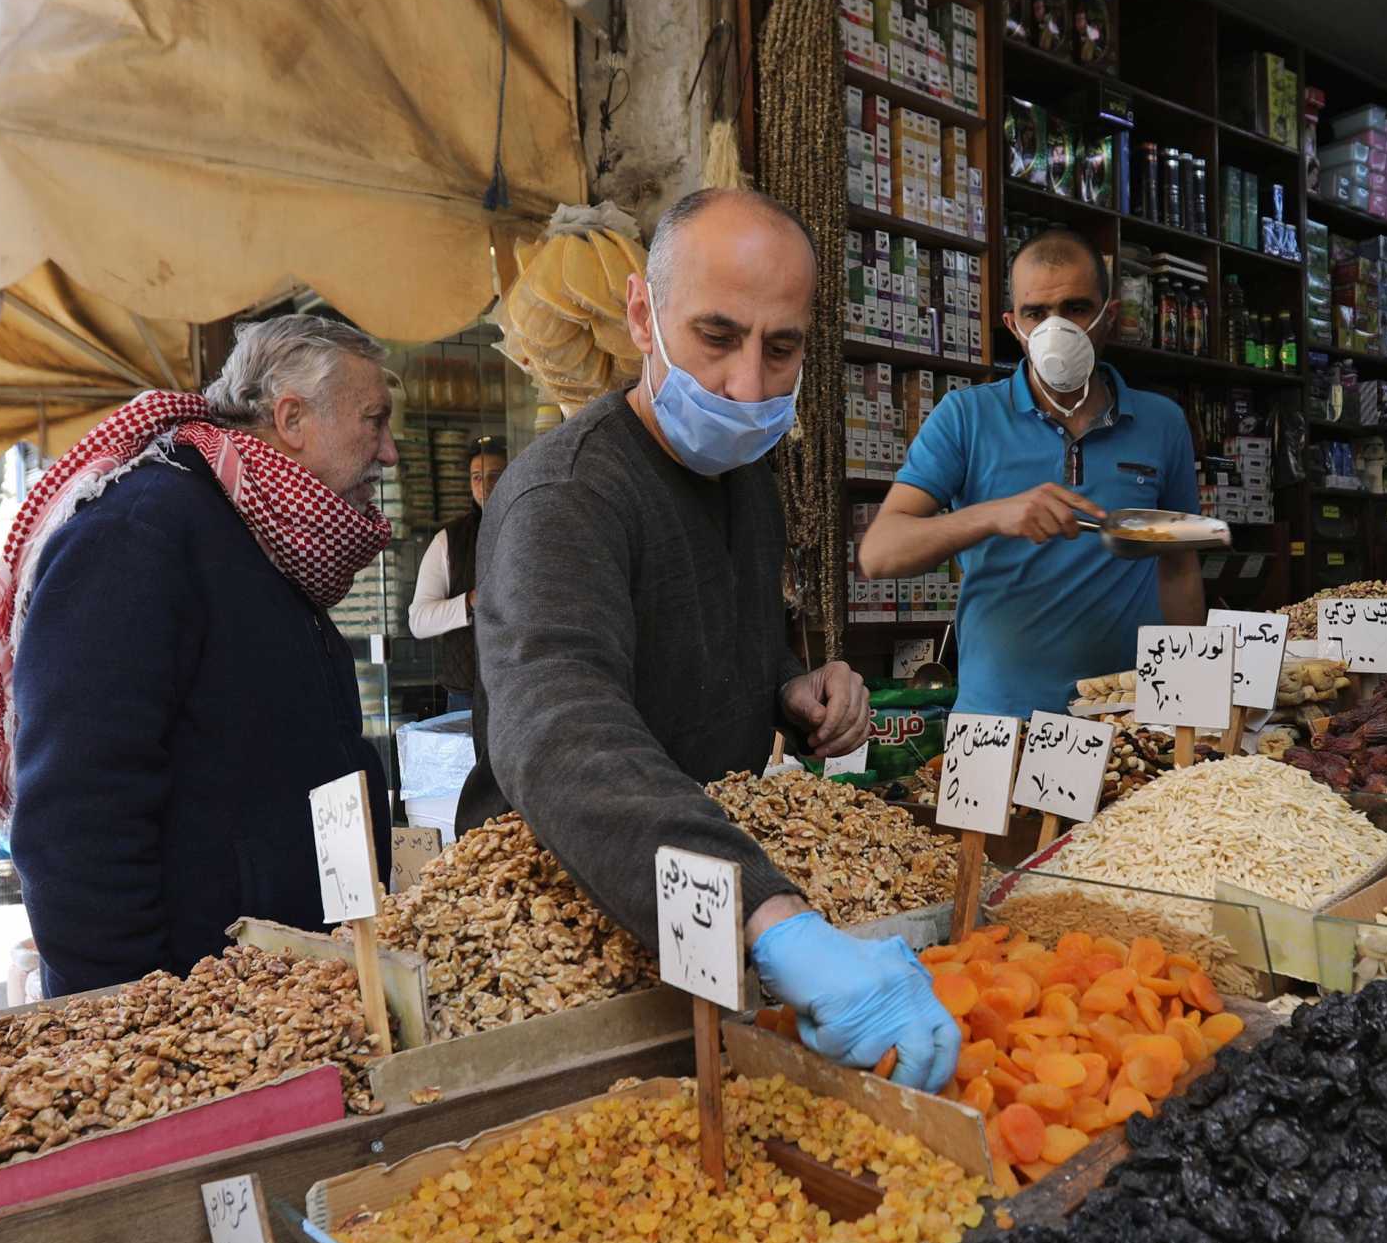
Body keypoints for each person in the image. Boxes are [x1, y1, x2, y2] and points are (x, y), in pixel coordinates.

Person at [459, 187, 961, 1091]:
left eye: (782, 348)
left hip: (701, 877)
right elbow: (560, 728)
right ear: (642, 315)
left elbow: (714, 632)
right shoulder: (564, 499)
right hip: (561, 894)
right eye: (718, 337)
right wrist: (774, 918)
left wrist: (790, 684)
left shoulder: (742, 474)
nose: (747, 386)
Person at [0, 315, 399, 997]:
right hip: (194, 1013)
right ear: (292, 418)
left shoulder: (270, 536)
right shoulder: (138, 532)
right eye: (374, 420)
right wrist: (136, 1013)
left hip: (285, 995)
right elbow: (76, 817)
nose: (388, 453)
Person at [857, 227, 1203, 720]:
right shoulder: (965, 416)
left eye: (1076, 308)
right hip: (998, 722)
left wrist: (1187, 700)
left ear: (1110, 316)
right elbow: (879, 553)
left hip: (1127, 717)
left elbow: (1180, 566)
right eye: (1036, 313)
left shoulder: (1162, 422)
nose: (1055, 329)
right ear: (1013, 324)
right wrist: (994, 515)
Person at [406, 436, 509, 711]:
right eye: (476, 477)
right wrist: (471, 601)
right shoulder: (448, 540)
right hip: (467, 692)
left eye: (494, 476)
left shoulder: (530, 527)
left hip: (520, 683)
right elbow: (419, 621)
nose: (485, 486)